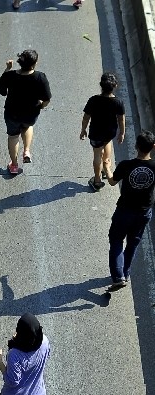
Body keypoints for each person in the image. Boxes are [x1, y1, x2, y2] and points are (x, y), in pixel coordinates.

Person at [105, 131, 155, 289]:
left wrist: (107, 168)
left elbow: (113, 182)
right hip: (144, 212)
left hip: (125, 210)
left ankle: (118, 276)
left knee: (116, 240)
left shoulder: (126, 165)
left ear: (136, 146)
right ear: (153, 147)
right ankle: (125, 273)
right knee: (133, 243)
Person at [0, 50, 52, 175]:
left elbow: (1, 88)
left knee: (13, 136)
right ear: (35, 63)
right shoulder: (40, 77)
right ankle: (26, 151)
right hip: (31, 113)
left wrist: (7, 69)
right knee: (27, 126)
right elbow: (47, 99)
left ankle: (14, 165)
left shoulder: (10, 75)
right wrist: (41, 106)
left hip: (12, 113)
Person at [80, 73, 125, 191]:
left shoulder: (93, 100)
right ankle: (106, 168)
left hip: (95, 132)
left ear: (101, 85)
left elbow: (86, 117)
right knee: (107, 143)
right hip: (110, 132)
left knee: (97, 154)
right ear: (115, 86)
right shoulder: (118, 102)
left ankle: (97, 180)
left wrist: (83, 130)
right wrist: (122, 133)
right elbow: (121, 118)